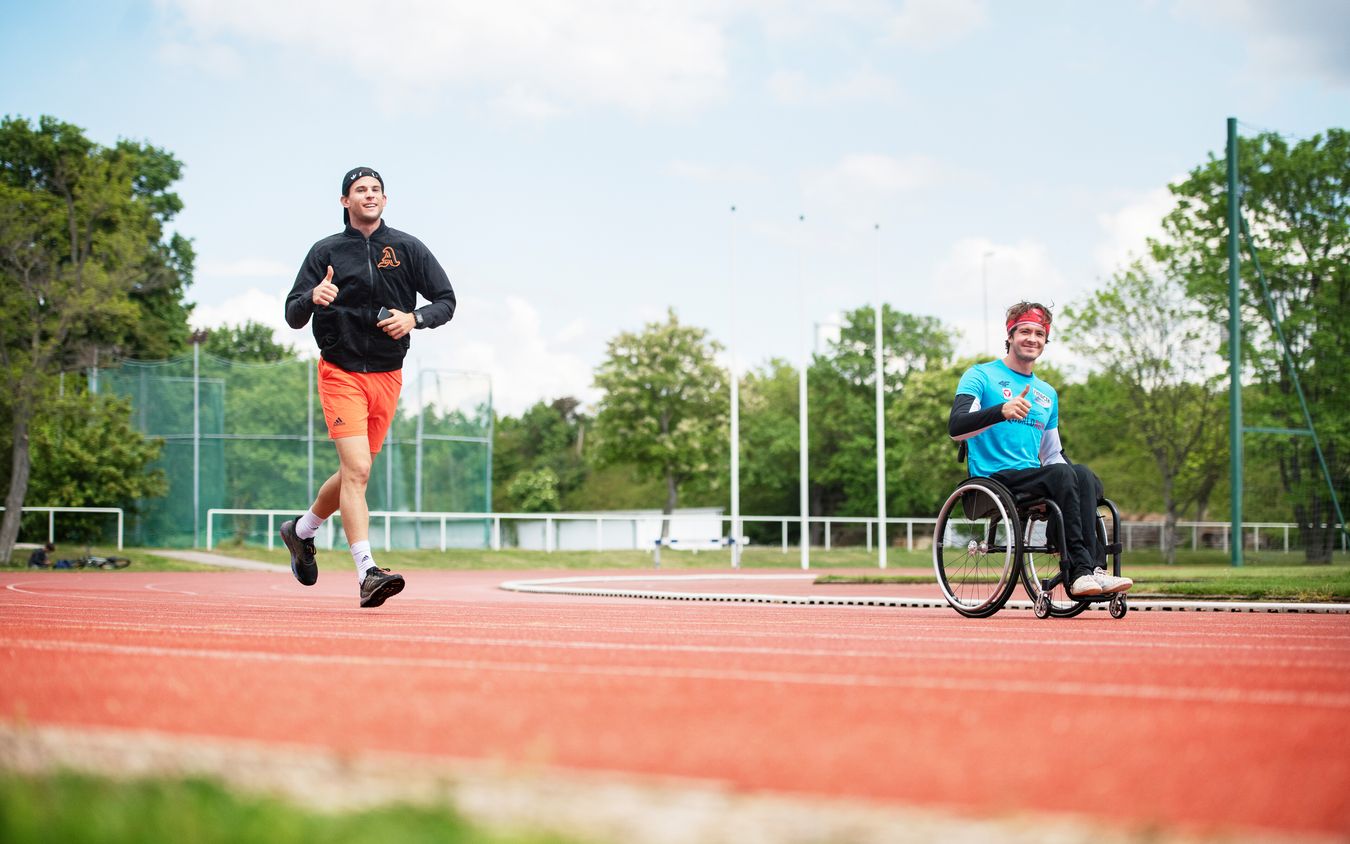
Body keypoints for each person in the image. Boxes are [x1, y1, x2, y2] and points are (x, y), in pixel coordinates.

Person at [281, 167, 456, 608]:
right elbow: (292, 313)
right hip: (340, 370)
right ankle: (367, 572)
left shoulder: (407, 248)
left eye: (376, 189)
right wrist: (312, 299)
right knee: (357, 470)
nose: (369, 195)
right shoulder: (325, 251)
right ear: (345, 202)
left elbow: (446, 301)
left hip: (387, 374)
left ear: (385, 198)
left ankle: (301, 531)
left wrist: (413, 318)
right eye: (360, 190)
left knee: (352, 473)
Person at [947, 301, 1131, 597]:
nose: (1032, 338)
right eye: (1024, 331)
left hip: (1033, 474)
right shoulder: (980, 375)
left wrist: (1081, 479)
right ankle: (1079, 571)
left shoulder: (1046, 393)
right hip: (995, 477)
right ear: (1009, 336)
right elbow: (956, 427)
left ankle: (1095, 569)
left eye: (1039, 333)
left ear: (1045, 341)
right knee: (1063, 477)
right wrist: (1001, 410)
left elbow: (1052, 453)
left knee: (1083, 475)